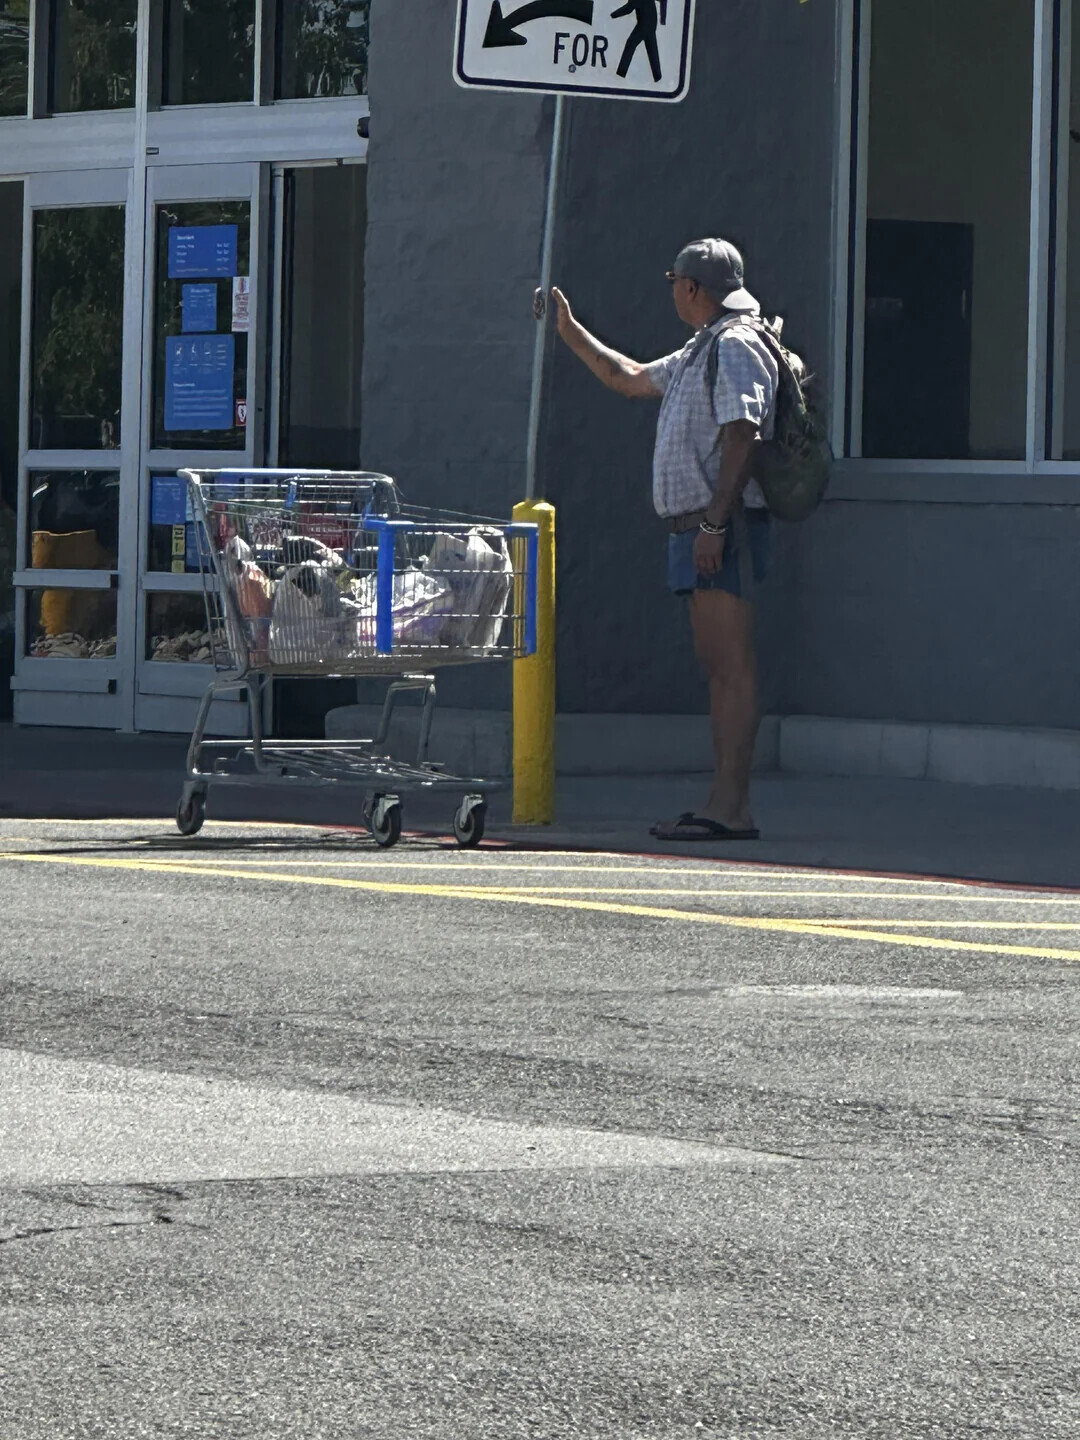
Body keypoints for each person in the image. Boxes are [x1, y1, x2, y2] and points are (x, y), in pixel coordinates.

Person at [550, 237, 777, 841]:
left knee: (731, 667)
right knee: (717, 667)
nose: (673, 289)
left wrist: (713, 524)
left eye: (675, 280)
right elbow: (628, 378)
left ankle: (731, 809)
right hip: (698, 529)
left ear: (693, 289)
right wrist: (570, 331)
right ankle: (721, 802)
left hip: (720, 529)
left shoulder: (736, 345)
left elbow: (743, 434)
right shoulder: (700, 349)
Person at [611, 0, 666, 83]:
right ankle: (657, 76)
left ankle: (621, 72)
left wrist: (613, 15)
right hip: (651, 24)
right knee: (652, 50)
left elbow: (628, 9)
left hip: (643, 25)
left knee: (631, 44)